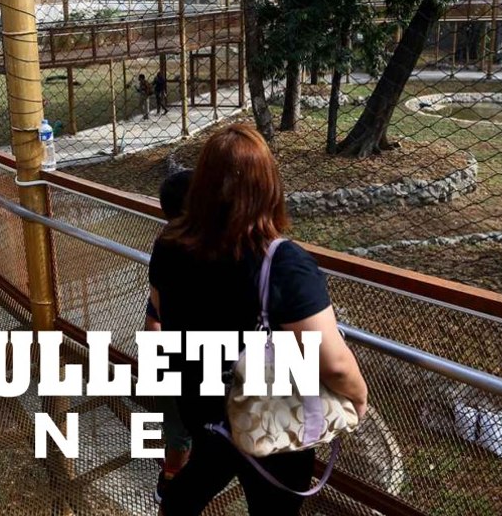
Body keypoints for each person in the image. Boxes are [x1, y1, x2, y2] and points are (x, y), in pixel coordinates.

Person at [148, 123, 368, 516]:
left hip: (202, 404)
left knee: (201, 473)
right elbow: (333, 363)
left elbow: (163, 314)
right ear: (268, 188)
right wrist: (358, 396)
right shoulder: (283, 263)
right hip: (267, 416)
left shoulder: (170, 243)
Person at [146, 168, 193, 504]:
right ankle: (172, 483)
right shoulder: (186, 249)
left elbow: (154, 309)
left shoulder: (165, 243)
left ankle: (172, 480)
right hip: (182, 359)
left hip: (172, 354)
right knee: (178, 432)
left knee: (178, 431)